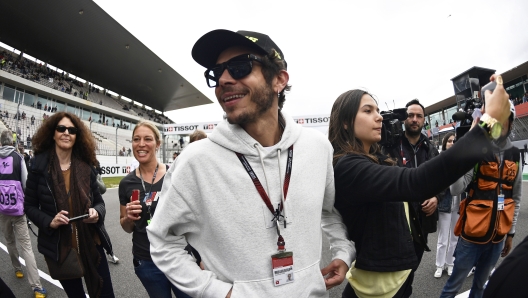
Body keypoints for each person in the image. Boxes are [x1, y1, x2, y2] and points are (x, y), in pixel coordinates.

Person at [147, 29, 355, 297]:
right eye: (216, 73)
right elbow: (162, 240)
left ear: (279, 80)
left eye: (239, 67)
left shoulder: (317, 148)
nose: (222, 79)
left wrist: (343, 251)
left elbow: (328, 211)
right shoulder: (195, 161)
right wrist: (216, 291)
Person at [329, 79, 510, 298]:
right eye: (367, 111)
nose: (378, 117)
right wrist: (489, 125)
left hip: (398, 275)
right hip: (376, 289)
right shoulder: (349, 166)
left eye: (377, 110)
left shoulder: (377, 158)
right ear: (345, 122)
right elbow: (417, 182)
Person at [24, 112, 115, 298]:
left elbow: (99, 202)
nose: (66, 133)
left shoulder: (86, 166)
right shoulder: (38, 166)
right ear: (52, 133)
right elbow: (29, 206)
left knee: (106, 294)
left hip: (91, 243)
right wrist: (50, 221)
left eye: (72, 130)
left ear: (77, 136)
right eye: (61, 128)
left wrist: (96, 212)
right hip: (60, 247)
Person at [440, 101, 521, 298]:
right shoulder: (476, 151)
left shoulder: (514, 154)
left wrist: (510, 233)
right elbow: (456, 189)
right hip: (471, 237)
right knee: (453, 286)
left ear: (510, 122)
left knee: (480, 286)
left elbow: (516, 197)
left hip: (498, 238)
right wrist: (463, 153)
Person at [119, 120, 191, 298]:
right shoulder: (126, 183)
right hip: (146, 260)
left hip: (179, 257)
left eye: (147, 139)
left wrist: (203, 257)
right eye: (136, 139)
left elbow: (195, 218)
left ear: (158, 144)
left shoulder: (175, 174)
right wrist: (128, 218)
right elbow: (126, 227)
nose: (141, 144)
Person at [383, 99, 444, 290]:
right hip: (397, 219)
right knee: (394, 272)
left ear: (424, 120)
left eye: (419, 116)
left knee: (412, 268)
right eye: (410, 115)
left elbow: (441, 179)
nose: (414, 119)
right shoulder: (391, 145)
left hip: (422, 220)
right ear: (404, 119)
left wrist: (436, 198)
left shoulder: (431, 148)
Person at [0, 130, 48, 298]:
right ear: (12, 142)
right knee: (26, 246)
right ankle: (37, 287)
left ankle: (17, 269)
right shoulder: (18, 158)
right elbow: (26, 184)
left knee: (9, 240)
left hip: (2, 209)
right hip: (18, 210)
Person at [434, 132, 460, 278]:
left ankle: (451, 263)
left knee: (455, 237)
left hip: (458, 202)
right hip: (444, 202)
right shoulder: (440, 159)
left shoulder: (461, 158)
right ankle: (439, 265)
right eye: (449, 141)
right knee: (443, 237)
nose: (451, 143)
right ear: (444, 144)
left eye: (454, 141)